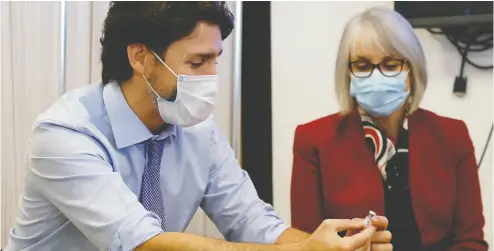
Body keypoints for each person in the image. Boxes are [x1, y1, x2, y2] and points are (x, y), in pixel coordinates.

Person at [5, 2, 392, 251]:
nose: (211, 77)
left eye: (216, 61)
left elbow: (253, 223)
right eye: (196, 63)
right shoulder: (65, 134)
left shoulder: (198, 131)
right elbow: (143, 242)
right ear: (141, 57)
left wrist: (334, 246)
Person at [290, 6, 488, 251]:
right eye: (363, 66)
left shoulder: (452, 135)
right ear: (348, 73)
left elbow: (471, 241)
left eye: (391, 64)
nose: (377, 76)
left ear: (412, 71)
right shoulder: (313, 140)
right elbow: (305, 243)